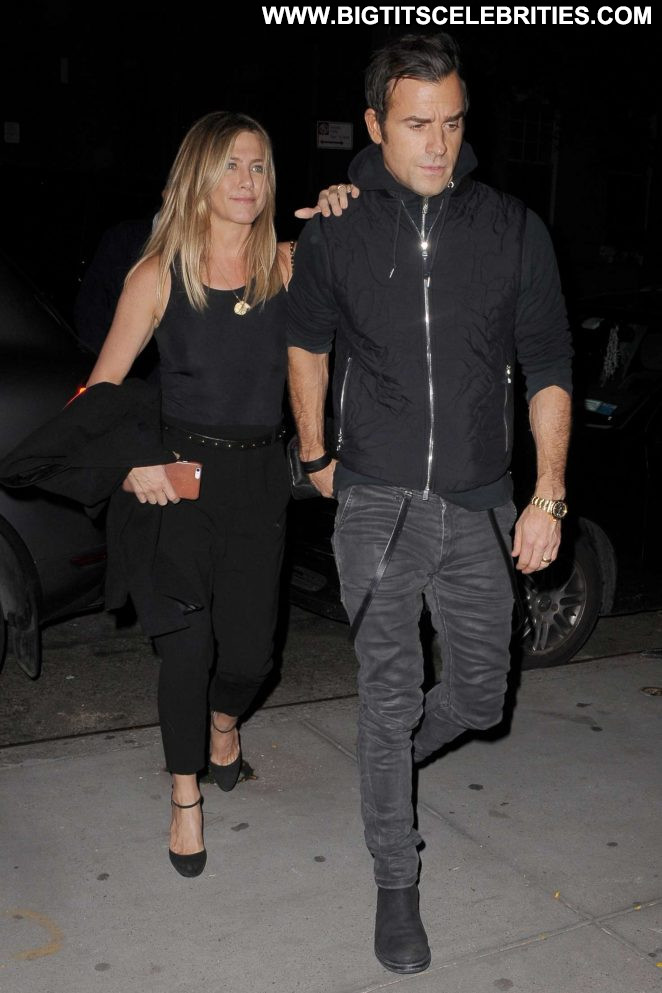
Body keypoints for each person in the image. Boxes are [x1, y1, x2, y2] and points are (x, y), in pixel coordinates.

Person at [287, 33, 572, 974]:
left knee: (484, 696)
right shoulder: (336, 229)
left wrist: (549, 492)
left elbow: (549, 364)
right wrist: (318, 455)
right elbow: (306, 344)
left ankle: (390, 759)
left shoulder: (511, 228)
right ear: (374, 125)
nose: (439, 143)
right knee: (387, 688)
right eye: (417, 125)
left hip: (483, 502)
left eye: (451, 123)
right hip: (378, 499)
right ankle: (395, 879)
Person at [86, 111, 295, 878]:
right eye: (232, 164)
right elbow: (101, 391)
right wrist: (132, 462)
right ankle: (184, 795)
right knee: (186, 646)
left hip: (259, 481)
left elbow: (382, 255)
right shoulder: (158, 275)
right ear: (199, 177)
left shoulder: (290, 268)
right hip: (177, 482)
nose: (247, 180)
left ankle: (224, 721)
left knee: (250, 654)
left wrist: (353, 194)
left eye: (259, 166)